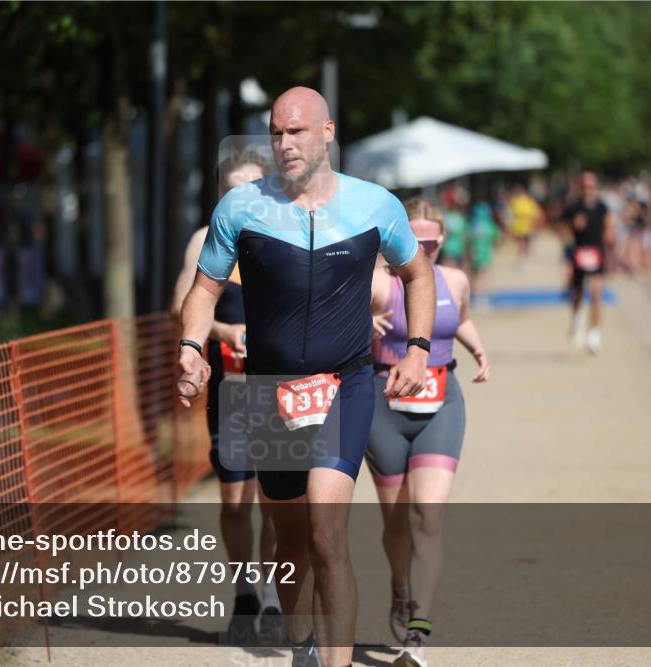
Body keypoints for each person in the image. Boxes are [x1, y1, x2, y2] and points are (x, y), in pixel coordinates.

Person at [176, 86, 436, 667]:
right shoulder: (241, 208)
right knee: (291, 545)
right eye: (276, 132)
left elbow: (418, 275)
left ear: (327, 133)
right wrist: (192, 346)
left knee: (325, 532)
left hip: (346, 384)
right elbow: (204, 289)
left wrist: (417, 349)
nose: (284, 143)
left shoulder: (374, 205)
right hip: (270, 393)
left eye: (296, 131)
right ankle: (303, 650)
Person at [367, 198, 490, 667]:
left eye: (431, 243)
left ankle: (419, 631)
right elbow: (334, 318)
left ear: (443, 241)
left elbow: (461, 319)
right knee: (396, 521)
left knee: (429, 515)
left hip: (441, 403)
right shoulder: (379, 282)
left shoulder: (455, 280)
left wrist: (479, 350)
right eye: (413, 241)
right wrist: (363, 322)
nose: (422, 250)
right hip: (384, 406)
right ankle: (400, 586)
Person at [170, 150, 283, 641]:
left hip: (280, 386)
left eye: (253, 187)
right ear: (221, 194)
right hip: (231, 388)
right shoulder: (206, 240)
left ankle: (275, 598)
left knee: (277, 498)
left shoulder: (286, 233)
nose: (244, 197)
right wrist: (223, 331)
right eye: (234, 189)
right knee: (236, 499)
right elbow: (180, 306)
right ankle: (244, 596)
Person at [563, 171, 614, 353]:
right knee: (578, 293)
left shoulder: (602, 207)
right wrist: (572, 226)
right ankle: (577, 319)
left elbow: (609, 229)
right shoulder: (573, 207)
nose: (587, 189)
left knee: (596, 294)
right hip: (579, 253)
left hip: (596, 254)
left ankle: (594, 333)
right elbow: (560, 229)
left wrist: (609, 239)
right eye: (584, 186)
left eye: (590, 186)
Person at [468, 200, 499, 306]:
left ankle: (475, 295)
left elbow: (468, 239)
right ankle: (483, 295)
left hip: (475, 252)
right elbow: (495, 239)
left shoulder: (473, 225)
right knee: (484, 274)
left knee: (475, 274)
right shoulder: (489, 225)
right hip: (486, 253)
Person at [506, 183, 543, 267]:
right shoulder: (515, 201)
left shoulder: (527, 201)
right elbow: (510, 214)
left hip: (527, 225)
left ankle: (524, 257)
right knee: (521, 242)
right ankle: (522, 259)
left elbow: (536, 213)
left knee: (526, 242)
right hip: (519, 226)